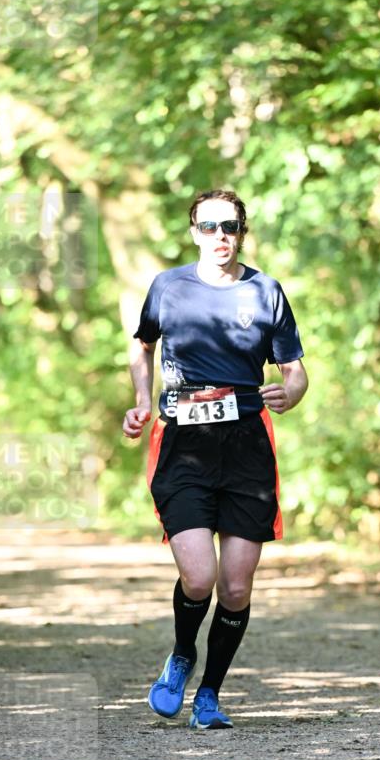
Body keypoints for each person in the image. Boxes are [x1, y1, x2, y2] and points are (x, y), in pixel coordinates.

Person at [122, 189, 308, 730]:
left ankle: (210, 694)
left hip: (248, 446)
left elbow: (294, 368)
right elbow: (142, 344)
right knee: (199, 578)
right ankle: (182, 654)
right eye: (208, 226)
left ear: (242, 231)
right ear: (194, 231)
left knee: (236, 587)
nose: (219, 235)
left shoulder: (265, 290)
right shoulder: (168, 287)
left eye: (229, 226)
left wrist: (290, 392)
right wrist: (141, 401)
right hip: (184, 443)